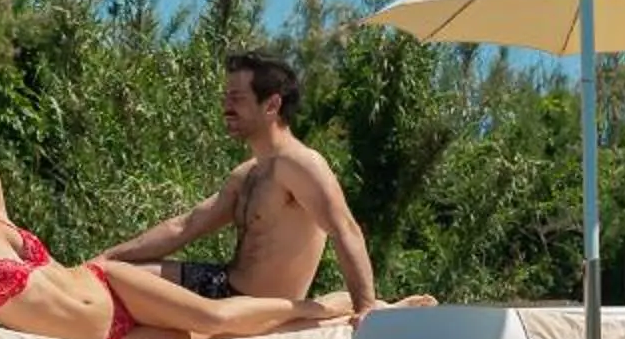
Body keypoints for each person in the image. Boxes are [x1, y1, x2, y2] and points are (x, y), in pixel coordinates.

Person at [0, 125, 344, 339]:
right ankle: (339, 321)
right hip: (105, 336)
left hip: (109, 281)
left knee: (215, 318)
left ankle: (335, 305)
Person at [100, 52, 413, 314]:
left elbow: (346, 230)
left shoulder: (300, 164)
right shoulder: (247, 173)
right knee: (117, 275)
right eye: (225, 96)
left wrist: (367, 311)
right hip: (223, 286)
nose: (226, 107)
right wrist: (105, 258)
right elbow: (184, 227)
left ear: (272, 105)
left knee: (123, 282)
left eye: (236, 98)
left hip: (258, 308)